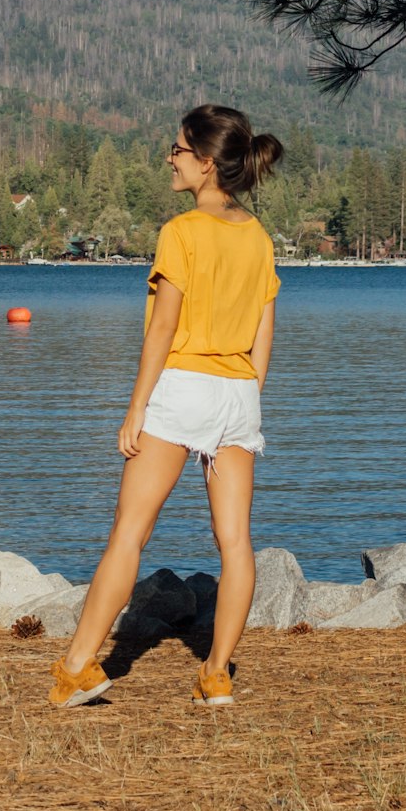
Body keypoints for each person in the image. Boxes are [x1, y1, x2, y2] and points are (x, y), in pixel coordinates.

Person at [48, 104, 283, 709]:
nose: (170, 157)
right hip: (238, 392)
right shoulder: (256, 237)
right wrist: (245, 395)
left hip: (182, 385)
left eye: (178, 149)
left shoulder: (181, 232)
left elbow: (162, 330)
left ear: (206, 164)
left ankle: (79, 666)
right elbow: (264, 334)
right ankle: (216, 673)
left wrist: (136, 409)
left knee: (130, 532)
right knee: (236, 543)